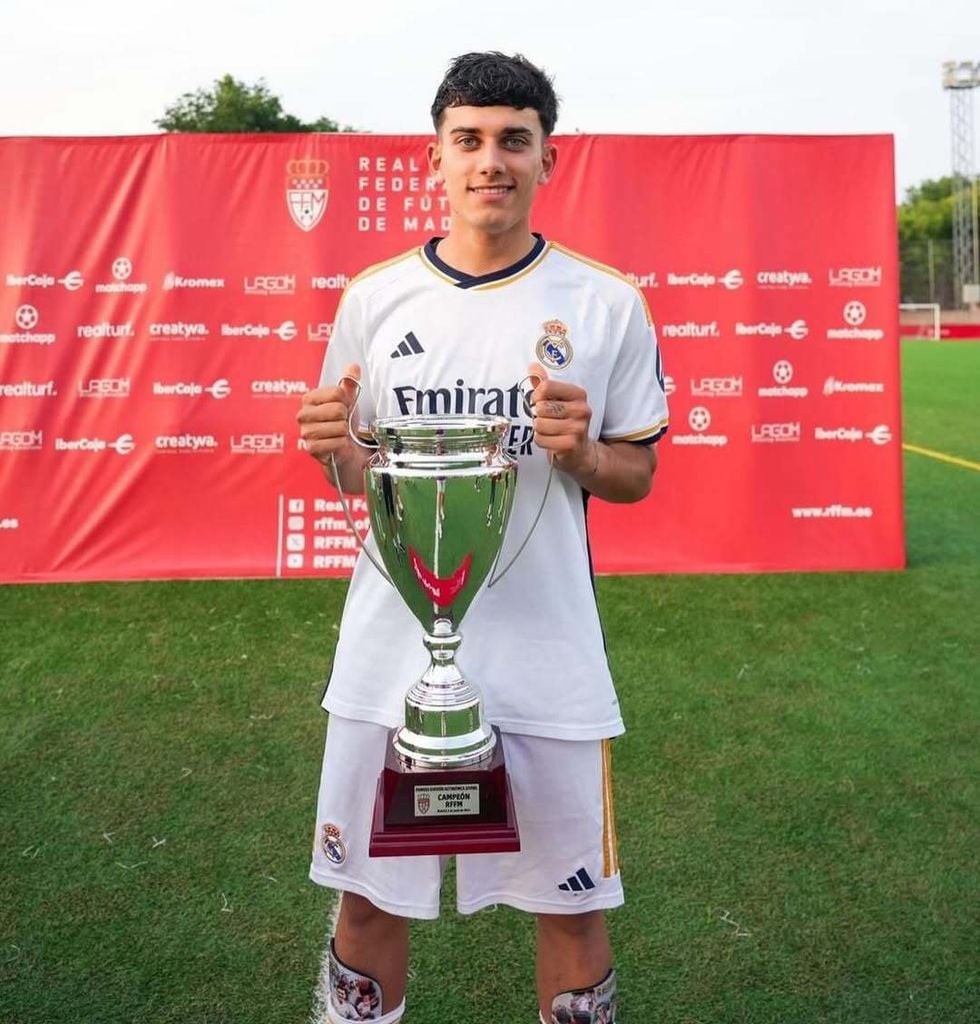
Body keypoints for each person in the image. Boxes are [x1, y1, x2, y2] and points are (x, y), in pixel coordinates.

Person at [297, 51, 668, 1024]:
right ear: (434, 157)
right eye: (468, 140)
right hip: (392, 655)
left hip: (549, 656)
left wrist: (583, 453)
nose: (489, 161)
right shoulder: (374, 301)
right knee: (368, 897)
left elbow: (635, 472)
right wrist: (333, 450)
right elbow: (357, 472)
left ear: (549, 158)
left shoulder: (604, 303)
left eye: (513, 140)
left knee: (572, 909)